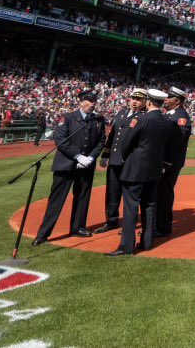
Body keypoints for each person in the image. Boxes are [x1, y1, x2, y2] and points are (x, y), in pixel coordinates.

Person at [33, 90, 106, 246]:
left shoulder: (99, 120)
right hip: (66, 165)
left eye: (95, 101)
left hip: (86, 166)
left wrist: (91, 158)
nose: (93, 103)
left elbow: (101, 141)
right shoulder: (68, 118)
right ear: (81, 102)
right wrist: (78, 156)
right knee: (56, 200)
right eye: (90, 100)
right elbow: (60, 139)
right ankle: (43, 233)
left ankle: (78, 227)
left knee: (82, 197)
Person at [109, 89, 171, 256]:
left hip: (135, 169)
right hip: (155, 170)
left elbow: (126, 143)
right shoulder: (166, 121)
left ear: (149, 102)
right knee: (150, 205)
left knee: (131, 207)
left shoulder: (140, 119)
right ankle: (147, 242)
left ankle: (127, 246)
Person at [94, 89, 148, 234]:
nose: (135, 101)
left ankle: (128, 224)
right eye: (133, 98)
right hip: (115, 159)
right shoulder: (121, 113)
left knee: (129, 195)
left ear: (145, 102)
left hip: (130, 161)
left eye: (139, 99)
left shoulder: (144, 116)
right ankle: (111, 221)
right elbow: (112, 136)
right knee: (112, 192)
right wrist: (105, 155)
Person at [157, 87, 192, 238]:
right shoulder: (170, 114)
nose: (165, 100)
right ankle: (157, 224)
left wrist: (167, 162)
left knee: (164, 193)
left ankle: (163, 227)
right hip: (164, 161)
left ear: (177, 101)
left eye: (169, 97)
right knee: (159, 193)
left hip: (169, 163)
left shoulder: (180, 116)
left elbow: (178, 140)